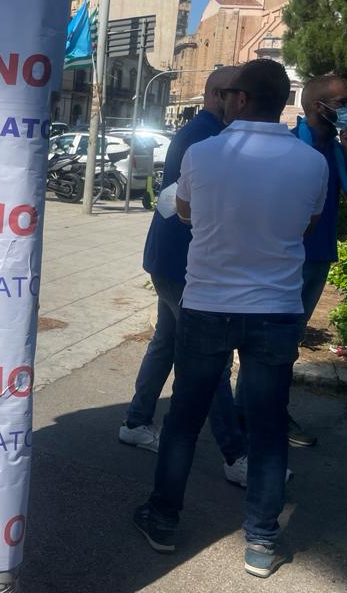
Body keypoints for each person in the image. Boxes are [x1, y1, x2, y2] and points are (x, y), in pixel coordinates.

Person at [133, 59, 328, 579]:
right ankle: (261, 542)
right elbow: (308, 224)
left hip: (208, 304)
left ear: (239, 99)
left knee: (183, 421)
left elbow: (186, 213)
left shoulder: (203, 154)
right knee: (267, 427)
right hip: (276, 310)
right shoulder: (311, 162)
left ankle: (163, 521)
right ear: (284, 102)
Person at [119, 67, 249, 483]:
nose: (244, 103)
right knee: (210, 358)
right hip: (184, 264)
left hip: (172, 260)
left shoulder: (203, 131)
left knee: (166, 342)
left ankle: (136, 421)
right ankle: (236, 455)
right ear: (219, 94)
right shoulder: (208, 137)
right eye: (239, 95)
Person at [283, 75, 347, 446]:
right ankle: (265, 414)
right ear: (319, 107)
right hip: (286, 260)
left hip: (318, 258)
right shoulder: (288, 144)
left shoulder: (336, 147)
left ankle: (258, 409)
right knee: (276, 341)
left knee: (289, 340)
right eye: (343, 102)